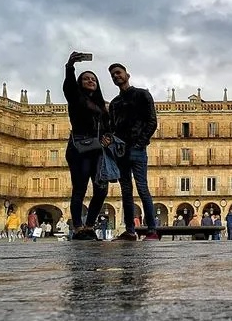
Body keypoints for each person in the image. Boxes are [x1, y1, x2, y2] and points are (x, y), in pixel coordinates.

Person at [107, 62, 159, 241]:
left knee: (142, 188)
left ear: (127, 75)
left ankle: (152, 230)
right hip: (121, 151)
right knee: (126, 191)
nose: (116, 76)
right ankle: (130, 230)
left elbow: (152, 121)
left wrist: (140, 143)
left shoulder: (142, 94)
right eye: (113, 75)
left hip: (137, 150)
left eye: (118, 73)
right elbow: (113, 127)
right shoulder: (114, 103)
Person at [62, 52, 111, 241]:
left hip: (98, 150)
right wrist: (70, 66)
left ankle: (89, 225)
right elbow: (69, 86)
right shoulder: (76, 98)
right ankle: (78, 227)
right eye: (86, 79)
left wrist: (108, 138)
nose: (90, 81)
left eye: (93, 79)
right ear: (80, 83)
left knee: (101, 189)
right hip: (79, 148)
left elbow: (108, 128)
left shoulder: (101, 106)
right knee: (80, 188)